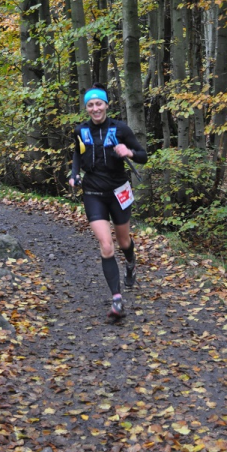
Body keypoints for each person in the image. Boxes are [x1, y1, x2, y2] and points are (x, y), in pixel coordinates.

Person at [69, 85, 147, 318]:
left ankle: (131, 264)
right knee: (106, 245)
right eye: (91, 105)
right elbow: (76, 153)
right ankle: (117, 300)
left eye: (99, 104)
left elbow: (143, 155)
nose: (95, 108)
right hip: (93, 193)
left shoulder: (120, 129)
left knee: (124, 242)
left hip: (118, 192)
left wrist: (129, 152)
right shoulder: (80, 131)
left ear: (106, 105)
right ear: (86, 108)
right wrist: (74, 175)